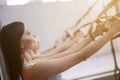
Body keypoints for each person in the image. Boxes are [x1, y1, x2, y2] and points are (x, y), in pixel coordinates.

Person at [0, 19, 120, 80]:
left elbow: (69, 52)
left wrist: (94, 34)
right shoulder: (31, 70)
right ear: (19, 44)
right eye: (28, 33)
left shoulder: (32, 62)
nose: (33, 36)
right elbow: (81, 56)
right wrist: (113, 31)